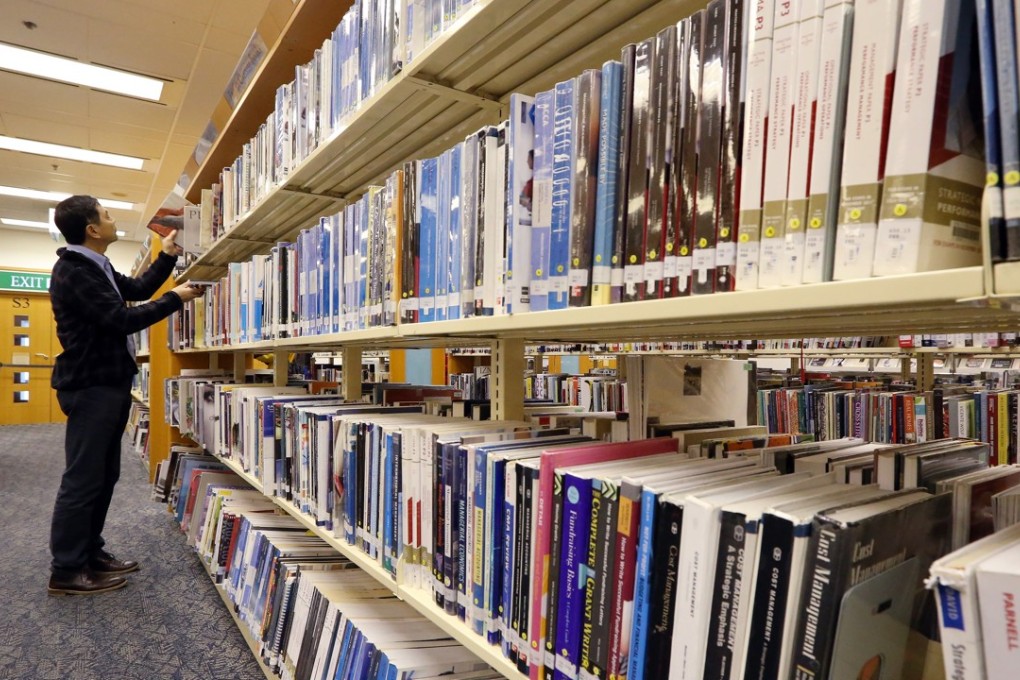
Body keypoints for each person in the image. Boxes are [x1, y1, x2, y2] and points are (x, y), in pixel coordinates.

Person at [47, 195, 206, 595]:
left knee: (104, 476)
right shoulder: (74, 271)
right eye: (107, 215)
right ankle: (66, 569)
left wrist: (167, 256)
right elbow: (120, 319)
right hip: (91, 386)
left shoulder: (95, 266)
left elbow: (136, 288)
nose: (114, 219)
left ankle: (89, 552)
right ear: (92, 230)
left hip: (108, 383)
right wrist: (176, 299)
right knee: (83, 479)